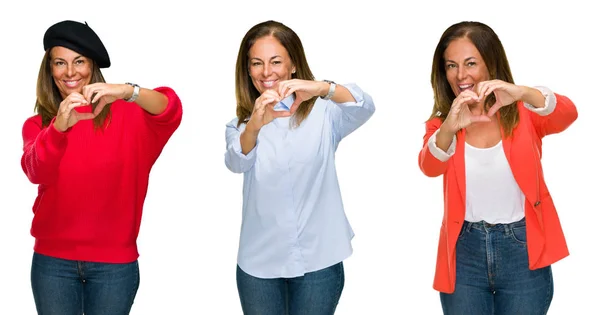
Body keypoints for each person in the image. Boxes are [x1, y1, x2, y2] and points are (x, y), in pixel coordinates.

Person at [21, 20, 182, 314]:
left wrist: (127, 91)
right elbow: (36, 171)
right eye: (60, 62)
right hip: (52, 264)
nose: (70, 72)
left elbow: (170, 108)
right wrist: (59, 127)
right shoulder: (39, 125)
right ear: (50, 70)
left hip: (114, 265)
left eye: (79, 61)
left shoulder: (131, 117)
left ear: (92, 65)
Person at [418, 21, 578, 315]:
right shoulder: (443, 124)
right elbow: (429, 167)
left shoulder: (523, 113)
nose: (461, 75)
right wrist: (449, 128)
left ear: (491, 64)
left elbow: (568, 114)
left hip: (522, 248)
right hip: (465, 251)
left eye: (470, 63)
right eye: (451, 65)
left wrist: (522, 93)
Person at [224, 20, 375, 315]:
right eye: (256, 63)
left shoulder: (325, 113)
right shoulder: (241, 125)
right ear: (248, 71)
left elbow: (364, 105)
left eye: (276, 61)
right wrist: (254, 125)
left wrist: (321, 88)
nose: (266, 72)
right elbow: (235, 161)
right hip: (259, 264)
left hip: (319, 259)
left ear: (293, 65)